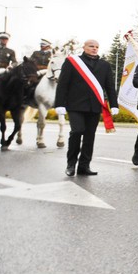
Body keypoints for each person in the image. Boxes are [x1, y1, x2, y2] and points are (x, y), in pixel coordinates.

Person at [54, 39, 118, 177]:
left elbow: (109, 87)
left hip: (94, 106)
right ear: (84, 47)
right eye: (91, 46)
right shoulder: (72, 62)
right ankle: (71, 164)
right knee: (77, 132)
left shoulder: (104, 65)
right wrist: (59, 103)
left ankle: (84, 166)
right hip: (75, 105)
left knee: (89, 136)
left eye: (97, 46)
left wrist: (114, 104)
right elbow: (63, 84)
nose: (94, 48)